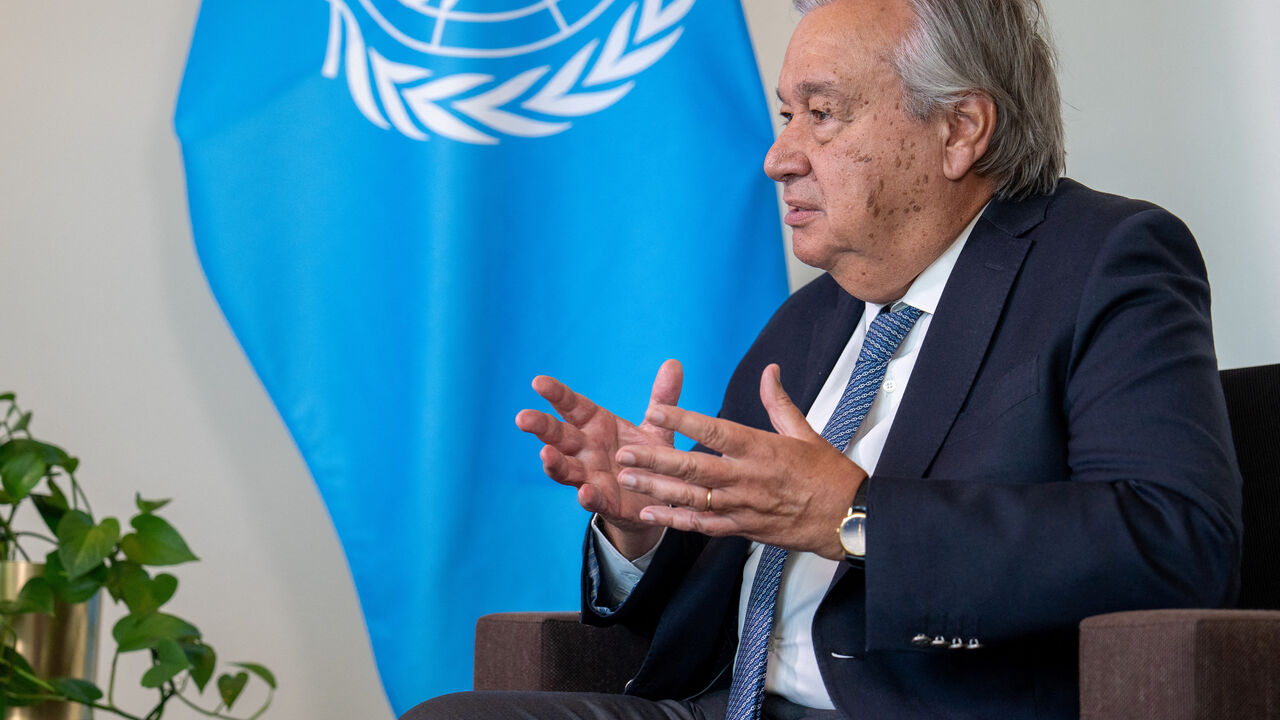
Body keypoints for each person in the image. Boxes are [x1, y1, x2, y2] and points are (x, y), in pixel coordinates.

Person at [402, 0, 1242, 717]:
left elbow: (1174, 541)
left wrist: (858, 517)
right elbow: (723, 570)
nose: (779, 156)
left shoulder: (1104, 262)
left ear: (959, 129)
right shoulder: (810, 320)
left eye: (823, 113)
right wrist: (647, 526)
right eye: (784, 115)